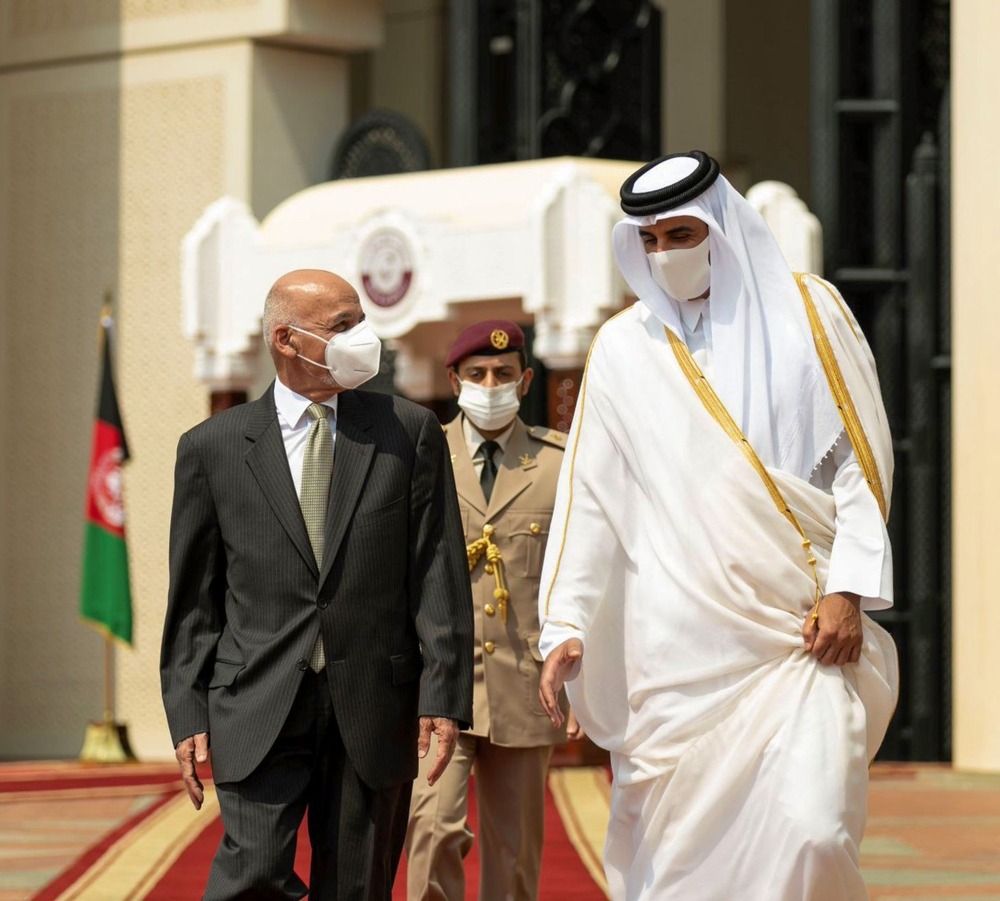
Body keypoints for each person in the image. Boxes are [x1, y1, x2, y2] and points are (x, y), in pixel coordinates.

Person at [537, 151, 899, 900]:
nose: (665, 253)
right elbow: (591, 500)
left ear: (721, 226)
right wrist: (565, 621)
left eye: (681, 232)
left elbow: (863, 464)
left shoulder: (812, 315)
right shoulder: (621, 349)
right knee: (680, 866)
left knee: (815, 829)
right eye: (651, 241)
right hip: (674, 654)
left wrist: (849, 589)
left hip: (796, 634)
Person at [160, 268, 474, 901]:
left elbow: (436, 572)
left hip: (372, 701)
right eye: (342, 326)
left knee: (357, 886)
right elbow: (194, 599)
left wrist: (443, 695)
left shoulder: (407, 432)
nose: (362, 337)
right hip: (255, 698)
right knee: (252, 878)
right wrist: (187, 710)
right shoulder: (212, 447)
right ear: (286, 338)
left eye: (360, 321)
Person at [405, 320, 576, 901]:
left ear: (526, 381)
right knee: (431, 828)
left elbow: (580, 577)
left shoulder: (560, 464)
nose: (491, 383)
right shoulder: (417, 456)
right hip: (438, 685)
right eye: (477, 374)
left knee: (514, 854)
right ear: (454, 380)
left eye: (504, 374)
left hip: (525, 683)